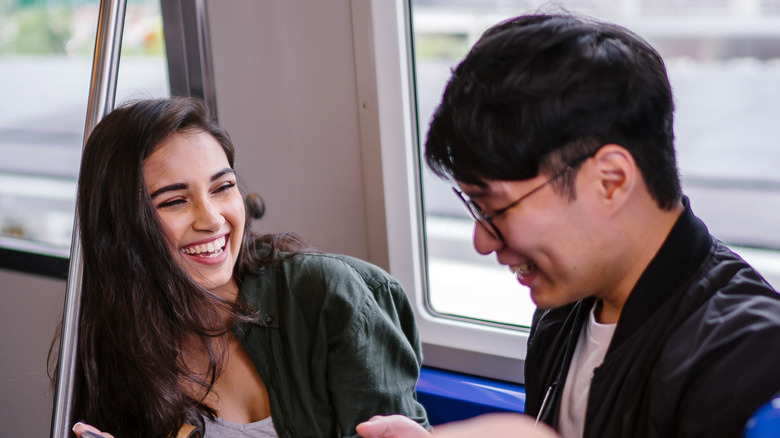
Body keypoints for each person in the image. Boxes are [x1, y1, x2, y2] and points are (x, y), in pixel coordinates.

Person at [358, 11, 780, 438]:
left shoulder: (748, 358)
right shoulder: (561, 312)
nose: (482, 242)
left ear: (610, 181)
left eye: (496, 209)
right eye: (475, 208)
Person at [59, 96, 428, 437]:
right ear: (121, 227)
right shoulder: (114, 345)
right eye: (174, 201)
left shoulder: (331, 298)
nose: (212, 219)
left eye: (222, 187)